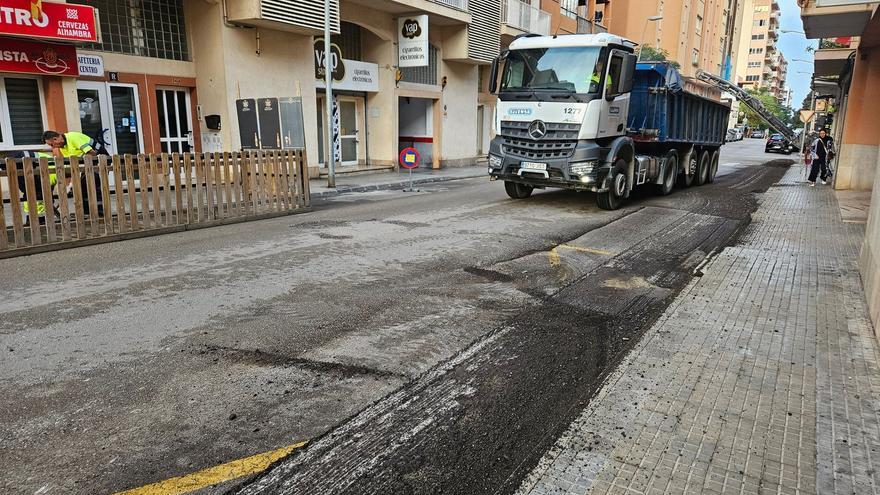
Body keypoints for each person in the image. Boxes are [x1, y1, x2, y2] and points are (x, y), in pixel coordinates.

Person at [42, 130, 103, 215]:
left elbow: (92, 153)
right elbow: (73, 163)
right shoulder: (63, 147)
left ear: (55, 139)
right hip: (87, 165)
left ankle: (99, 211)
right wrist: (72, 183)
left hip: (99, 159)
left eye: (51, 144)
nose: (52, 147)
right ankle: (87, 212)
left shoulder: (73, 138)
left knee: (92, 183)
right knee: (81, 187)